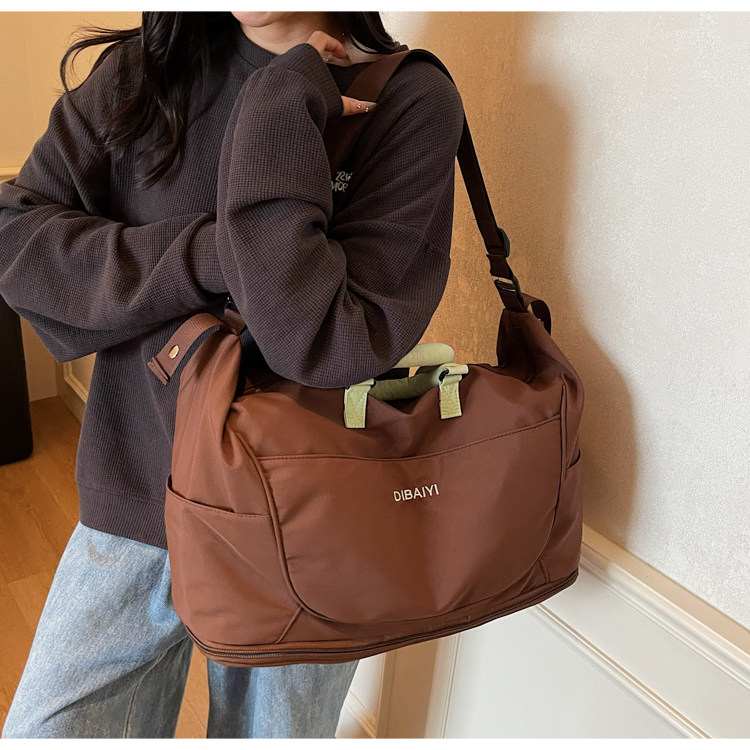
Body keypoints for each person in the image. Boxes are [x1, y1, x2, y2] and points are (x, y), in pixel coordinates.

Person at [0, 10, 465, 739]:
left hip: (308, 527)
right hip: (137, 499)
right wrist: (214, 254)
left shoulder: (407, 97)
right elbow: (14, 239)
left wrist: (281, 103)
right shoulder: (143, 75)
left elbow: (329, 342)